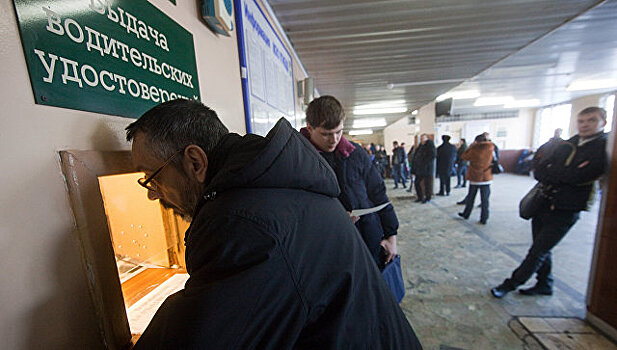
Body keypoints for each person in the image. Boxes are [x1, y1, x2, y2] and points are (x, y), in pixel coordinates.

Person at [127, 99, 422, 349]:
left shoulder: (239, 221)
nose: (153, 193)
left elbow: (202, 337)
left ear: (195, 162)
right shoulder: (276, 184)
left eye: (152, 178)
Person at [491, 107, 608, 298]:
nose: (585, 125)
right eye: (582, 120)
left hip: (566, 208)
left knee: (538, 250)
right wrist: (562, 174)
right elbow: (539, 169)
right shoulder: (568, 144)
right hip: (544, 202)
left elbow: (581, 176)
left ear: (603, 122)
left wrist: (557, 172)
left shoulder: (604, 146)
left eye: (592, 120)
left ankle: (510, 284)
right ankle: (545, 284)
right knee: (541, 247)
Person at [301, 96, 400, 267]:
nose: (334, 140)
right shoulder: (300, 160)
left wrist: (391, 236)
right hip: (330, 251)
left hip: (369, 239)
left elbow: (378, 193)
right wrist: (333, 219)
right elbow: (297, 210)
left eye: (339, 132)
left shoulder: (356, 153)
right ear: (310, 128)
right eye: (326, 134)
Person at [457, 134, 494, 224]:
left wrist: (471, 146)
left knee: (471, 197)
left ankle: (466, 214)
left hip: (475, 177)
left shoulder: (475, 149)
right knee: (485, 200)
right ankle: (484, 218)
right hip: (486, 177)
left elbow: (464, 156)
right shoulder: (491, 148)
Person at [411, 134, 436, 203]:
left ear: (427, 138)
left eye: (423, 138)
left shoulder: (430, 145)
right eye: (421, 138)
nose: (422, 139)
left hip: (427, 169)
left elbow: (432, 156)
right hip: (419, 169)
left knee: (427, 184)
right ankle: (420, 197)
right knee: (417, 182)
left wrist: (424, 163)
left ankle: (428, 198)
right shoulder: (420, 146)